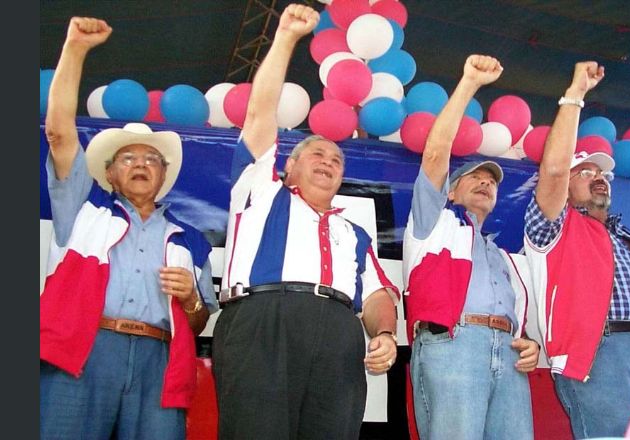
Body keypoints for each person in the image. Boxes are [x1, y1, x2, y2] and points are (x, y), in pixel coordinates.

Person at [210, 4, 400, 439]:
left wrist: (386, 334)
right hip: (263, 320)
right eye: (316, 153)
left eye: (336, 159)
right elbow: (259, 116)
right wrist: (285, 38)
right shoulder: (260, 193)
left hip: (337, 331)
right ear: (288, 167)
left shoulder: (352, 233)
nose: (328, 161)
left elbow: (374, 296)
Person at [40, 17, 218, 439]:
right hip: (83, 351)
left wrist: (191, 299)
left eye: (151, 159)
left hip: (160, 361)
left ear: (162, 174)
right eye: (128, 158)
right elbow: (59, 133)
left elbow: (197, 321)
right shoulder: (83, 208)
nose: (140, 164)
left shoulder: (190, 239)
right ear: (109, 175)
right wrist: (76, 48)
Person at [521, 61, 630, 438]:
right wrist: (575, 94)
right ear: (568, 188)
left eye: (603, 174)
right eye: (586, 173)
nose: (599, 179)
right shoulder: (554, 228)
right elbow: (554, 171)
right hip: (600, 354)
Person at [402, 54, 540, 440]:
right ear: (451, 190)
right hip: (454, 343)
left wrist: (527, 344)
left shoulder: (504, 257)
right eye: (473, 178)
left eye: (491, 181)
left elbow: (524, 317)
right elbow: (435, 153)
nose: (484, 183)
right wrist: (469, 84)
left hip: (508, 354)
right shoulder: (435, 224)